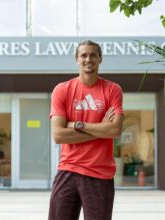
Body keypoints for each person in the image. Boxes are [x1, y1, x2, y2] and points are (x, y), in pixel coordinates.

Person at [48, 40, 124, 220]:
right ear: (77, 59)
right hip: (68, 169)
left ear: (100, 59)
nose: (88, 59)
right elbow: (58, 135)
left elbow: (115, 130)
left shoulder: (113, 90)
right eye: (83, 55)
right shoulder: (62, 90)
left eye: (92, 55)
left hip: (100, 173)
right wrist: (100, 128)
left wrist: (76, 124)